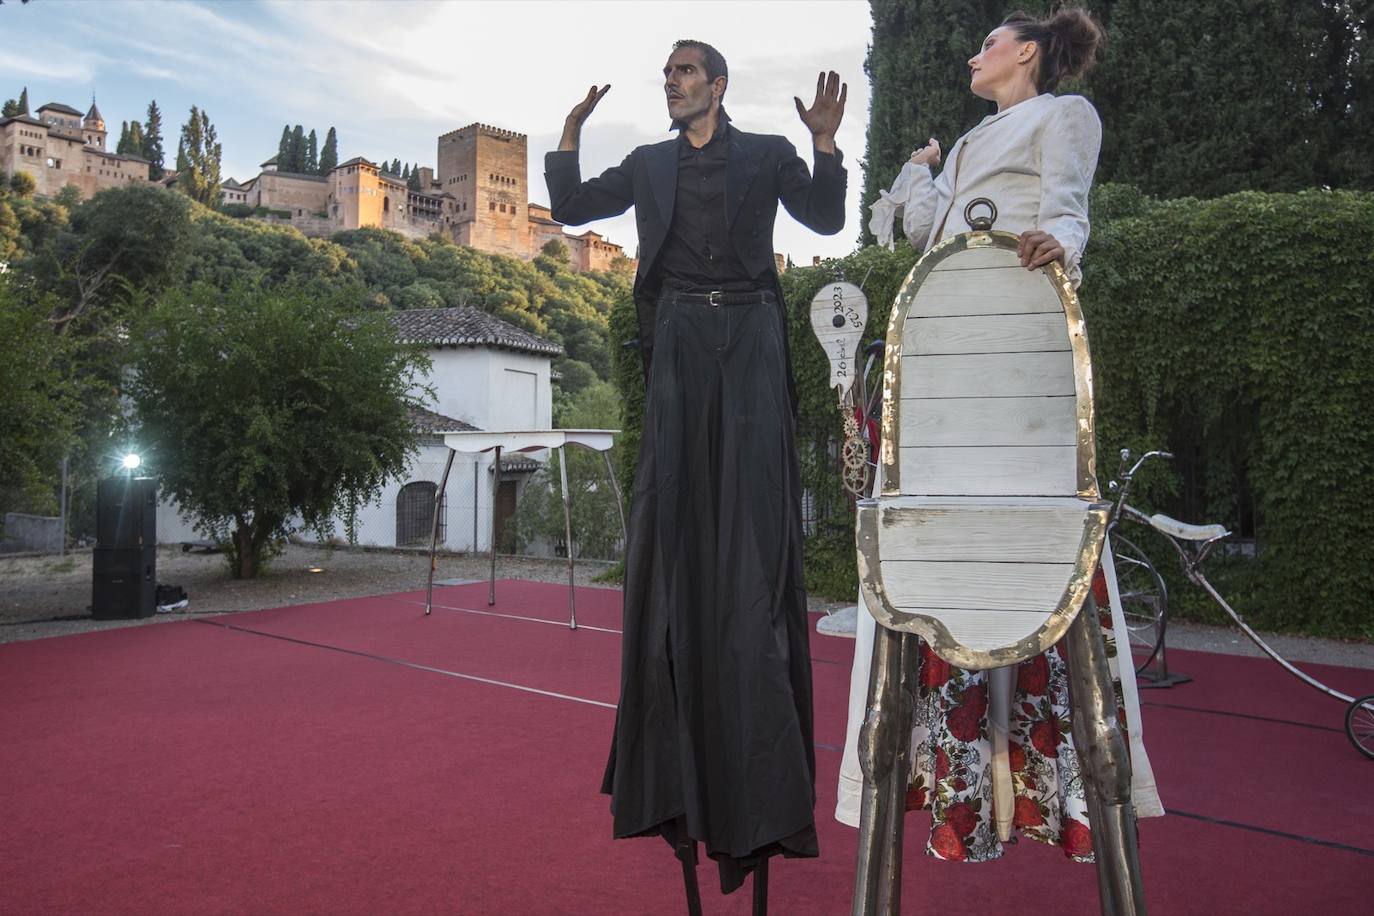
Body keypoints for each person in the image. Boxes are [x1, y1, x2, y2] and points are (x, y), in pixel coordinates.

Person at [837, 7, 1164, 863]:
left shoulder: (1064, 115)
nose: (974, 55)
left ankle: (1057, 774)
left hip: (1016, 333)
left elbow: (1068, 208)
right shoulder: (971, 141)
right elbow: (918, 236)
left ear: (1026, 52)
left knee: (1030, 528)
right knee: (923, 529)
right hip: (942, 347)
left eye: (989, 43)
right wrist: (917, 177)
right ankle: (946, 775)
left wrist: (1063, 241)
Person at [544, 40, 848, 903]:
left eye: (684, 71)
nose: (670, 81)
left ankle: (758, 783)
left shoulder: (767, 155)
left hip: (751, 336)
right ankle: (677, 771)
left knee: (751, 530)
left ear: (717, 86)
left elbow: (825, 219)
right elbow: (567, 203)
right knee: (675, 524)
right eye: (666, 73)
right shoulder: (646, 165)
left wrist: (825, 144)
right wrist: (568, 130)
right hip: (676, 337)